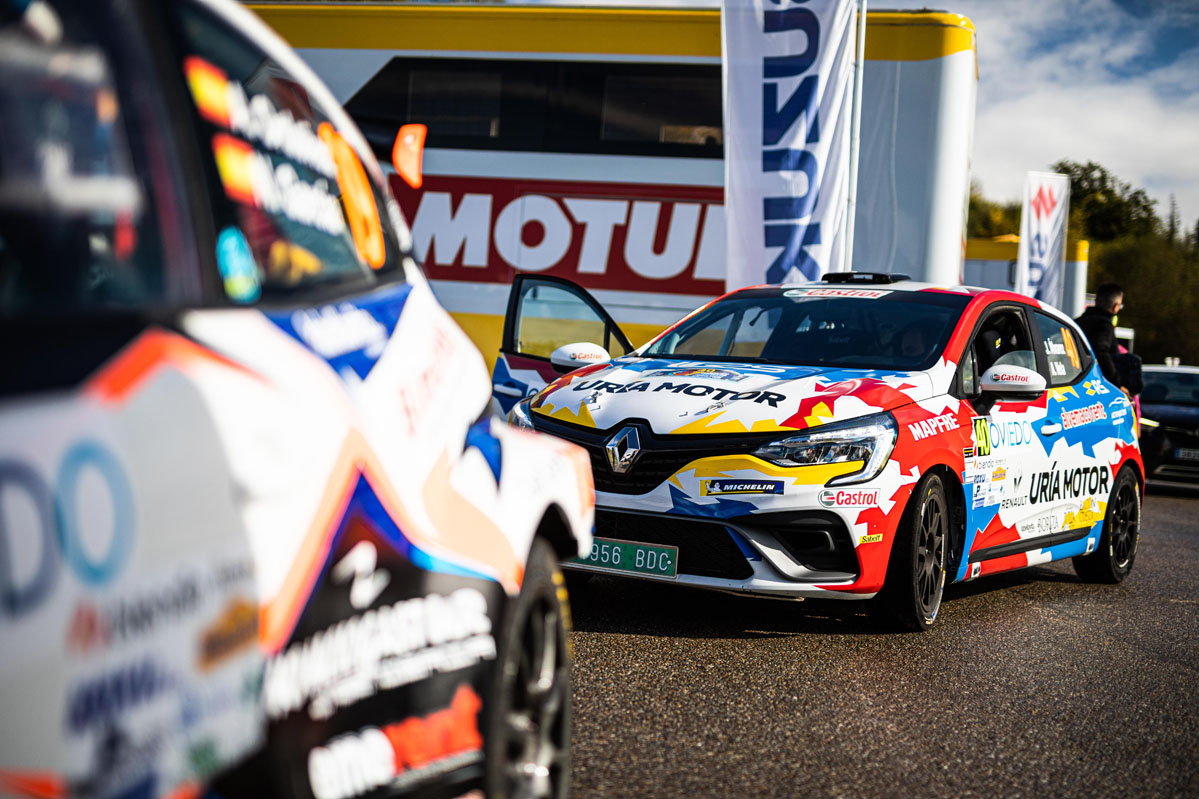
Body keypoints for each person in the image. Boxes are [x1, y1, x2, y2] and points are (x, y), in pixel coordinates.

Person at [1075, 282, 1126, 391]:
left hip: (1076, 379)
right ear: (1116, 306)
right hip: (1097, 385)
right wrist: (1117, 384)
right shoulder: (1104, 324)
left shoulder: (1077, 322)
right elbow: (1101, 352)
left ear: (1096, 301)